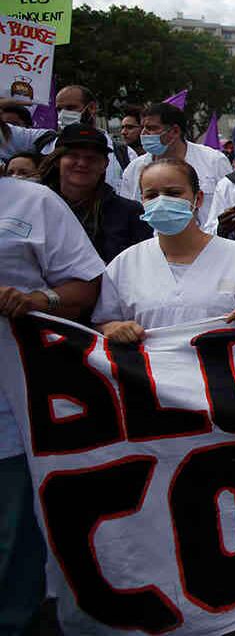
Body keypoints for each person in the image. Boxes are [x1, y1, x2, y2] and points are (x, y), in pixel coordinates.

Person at [0, 176, 104, 634]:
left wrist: (37, 300)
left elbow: (86, 289)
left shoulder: (34, 202)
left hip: (14, 410)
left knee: (13, 540)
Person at [92, 158, 235, 337]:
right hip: (150, 357)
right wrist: (113, 328)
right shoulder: (125, 264)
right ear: (142, 201)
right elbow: (103, 322)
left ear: (198, 198)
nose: (162, 202)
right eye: (152, 195)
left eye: (173, 193)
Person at [40, 123, 153, 263]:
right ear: (58, 161)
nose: (82, 163)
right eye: (73, 156)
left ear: (105, 164)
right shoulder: (38, 205)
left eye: (91, 158)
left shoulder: (130, 213)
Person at [120, 102, 233, 227]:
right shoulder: (133, 169)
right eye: (152, 195)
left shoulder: (214, 161)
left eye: (152, 128)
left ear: (175, 131)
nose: (144, 134)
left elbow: (231, 205)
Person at [47, 85, 124, 189]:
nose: (62, 114)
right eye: (59, 109)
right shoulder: (46, 147)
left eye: (70, 108)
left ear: (92, 108)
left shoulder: (123, 154)